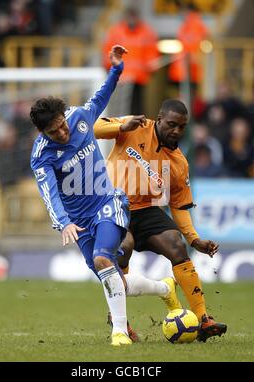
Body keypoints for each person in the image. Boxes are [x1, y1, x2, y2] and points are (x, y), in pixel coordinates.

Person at [30, 46, 181, 347]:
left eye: (62, 125)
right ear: (42, 132)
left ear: (64, 116)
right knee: (114, 280)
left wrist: (116, 69)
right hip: (79, 221)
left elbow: (101, 96)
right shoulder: (41, 156)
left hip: (108, 202)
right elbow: (48, 192)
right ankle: (165, 290)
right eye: (54, 131)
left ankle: (120, 332)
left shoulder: (79, 117)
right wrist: (63, 223)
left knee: (103, 259)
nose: (62, 133)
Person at [94, 100, 228, 342]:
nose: (176, 130)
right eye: (171, 124)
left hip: (147, 209)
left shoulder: (178, 162)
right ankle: (119, 321)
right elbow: (95, 128)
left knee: (176, 244)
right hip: (113, 204)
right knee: (123, 248)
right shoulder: (136, 126)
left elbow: (179, 205)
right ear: (159, 119)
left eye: (182, 126)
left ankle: (203, 318)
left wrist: (194, 239)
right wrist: (123, 126)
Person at [102, 7, 159, 115]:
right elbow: (107, 53)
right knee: (118, 108)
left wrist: (151, 67)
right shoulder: (116, 32)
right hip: (120, 79)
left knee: (136, 108)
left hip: (138, 79)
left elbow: (152, 54)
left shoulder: (147, 33)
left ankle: (135, 130)